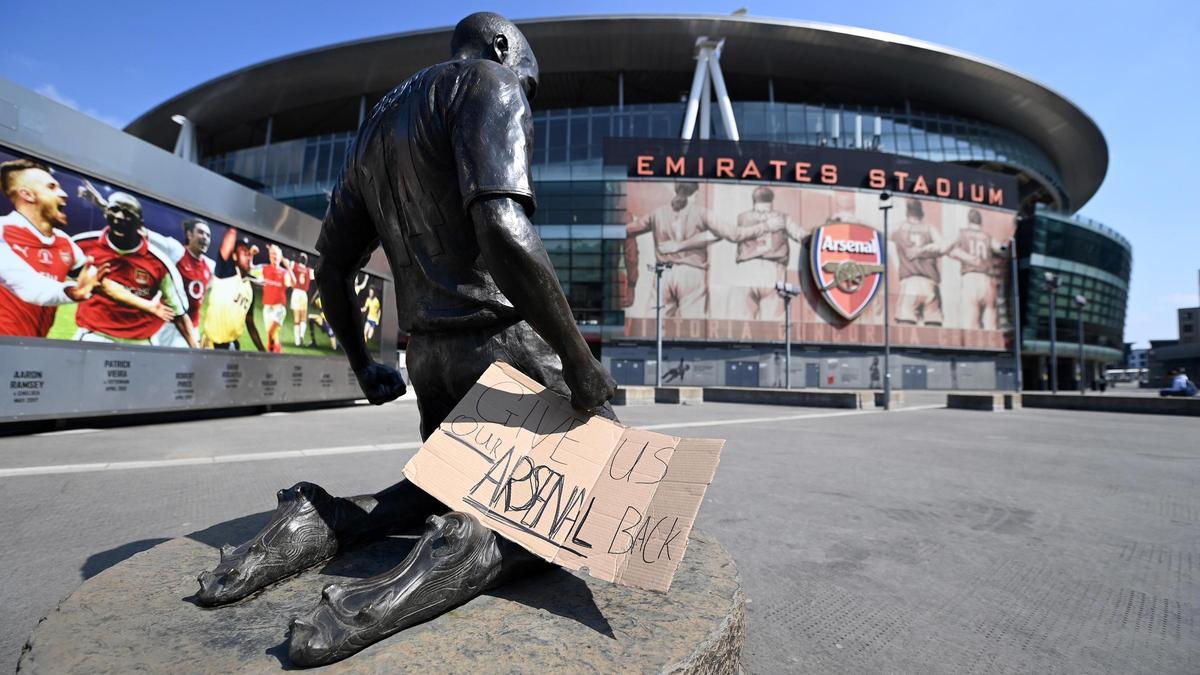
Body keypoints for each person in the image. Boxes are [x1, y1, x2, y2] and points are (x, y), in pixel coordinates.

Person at [197, 14, 616, 667]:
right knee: (589, 488)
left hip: (430, 359)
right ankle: (440, 560)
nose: (523, 94)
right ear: (503, 48)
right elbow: (502, 227)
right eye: (528, 83)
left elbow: (330, 265)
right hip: (500, 346)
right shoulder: (488, 81)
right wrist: (577, 357)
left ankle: (320, 518)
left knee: (448, 484)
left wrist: (366, 366)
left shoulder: (376, 128)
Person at [72, 192, 197, 347]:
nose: (119, 217)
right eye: (114, 210)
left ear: (140, 223)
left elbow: (179, 313)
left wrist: (197, 351)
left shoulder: (159, 263)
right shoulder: (83, 245)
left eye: (127, 214)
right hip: (94, 336)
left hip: (140, 343)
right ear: (106, 213)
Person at [0, 159, 107, 337]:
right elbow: (29, 285)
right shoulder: (2, 230)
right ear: (27, 195)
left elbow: (96, 281)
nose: (64, 194)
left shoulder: (65, 242)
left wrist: (145, 303)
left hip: (36, 347)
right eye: (52, 187)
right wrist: (71, 291)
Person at [724, 186, 806, 320]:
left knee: (742, 322)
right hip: (773, 270)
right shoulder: (782, 218)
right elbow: (801, 236)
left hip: (746, 270)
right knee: (770, 324)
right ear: (772, 200)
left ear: (753, 200)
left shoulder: (742, 217)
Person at [201, 228, 265, 351]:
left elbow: (250, 323)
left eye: (249, 253)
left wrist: (263, 351)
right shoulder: (225, 272)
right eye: (244, 252)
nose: (248, 255)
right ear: (234, 256)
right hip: (211, 347)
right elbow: (228, 241)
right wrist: (235, 225)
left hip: (233, 346)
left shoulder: (249, 288)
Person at [892, 199, 945, 326]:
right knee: (933, 327)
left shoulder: (899, 227)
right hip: (930, 284)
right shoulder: (930, 228)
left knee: (905, 328)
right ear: (921, 212)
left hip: (910, 283)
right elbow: (943, 246)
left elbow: (879, 231)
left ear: (907, 212)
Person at [254, 244, 294, 353]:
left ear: (280, 257)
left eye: (276, 254)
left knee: (271, 333)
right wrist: (252, 255)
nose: (274, 257)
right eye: (272, 254)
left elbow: (294, 283)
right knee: (272, 337)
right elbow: (250, 270)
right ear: (269, 256)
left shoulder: (284, 272)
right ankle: (278, 355)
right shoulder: (264, 269)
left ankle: (270, 357)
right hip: (267, 308)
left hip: (279, 309)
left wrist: (289, 267)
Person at [288, 252, 313, 346]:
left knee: (296, 318)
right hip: (303, 294)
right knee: (303, 317)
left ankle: (297, 341)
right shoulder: (309, 270)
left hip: (296, 293)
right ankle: (301, 335)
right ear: (306, 261)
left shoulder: (294, 265)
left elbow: (287, 264)